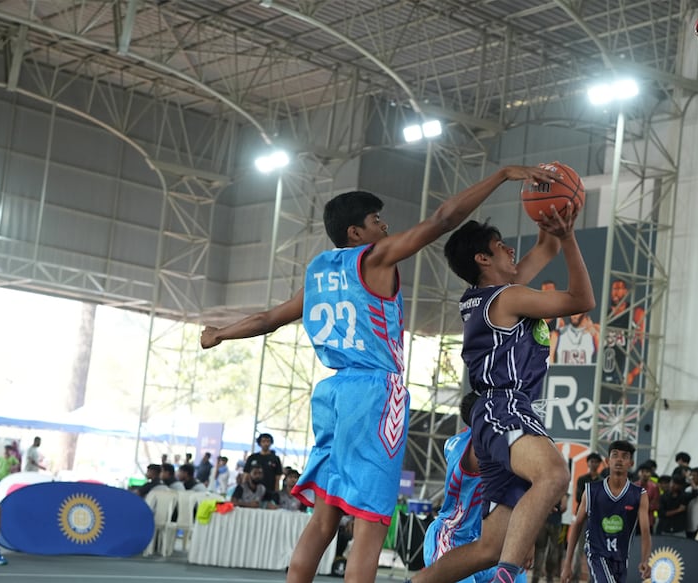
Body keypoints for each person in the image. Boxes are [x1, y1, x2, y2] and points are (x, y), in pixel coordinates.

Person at [201, 165, 560, 583]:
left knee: (324, 519)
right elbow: (443, 219)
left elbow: (267, 318)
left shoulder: (318, 273)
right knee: (372, 520)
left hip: (332, 392)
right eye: (376, 221)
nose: (385, 226)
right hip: (374, 391)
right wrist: (500, 177)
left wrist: (219, 334)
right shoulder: (374, 258)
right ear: (356, 233)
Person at [411, 198, 593, 583]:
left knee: (489, 547)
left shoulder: (492, 294)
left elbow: (546, 247)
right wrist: (571, 238)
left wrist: (551, 212)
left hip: (496, 413)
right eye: (502, 246)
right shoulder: (506, 297)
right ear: (482, 259)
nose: (513, 250)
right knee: (555, 474)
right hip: (503, 405)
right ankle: (506, 578)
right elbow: (582, 301)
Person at [423, 392, 528, 583]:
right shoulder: (478, 451)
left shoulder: (462, 439)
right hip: (451, 542)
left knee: (518, 578)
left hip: (486, 543)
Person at [560, 440, 652, 583]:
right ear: (608, 461)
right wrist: (567, 564)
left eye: (625, 456)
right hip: (596, 553)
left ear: (631, 463)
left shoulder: (639, 494)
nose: (619, 459)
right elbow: (577, 525)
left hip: (621, 558)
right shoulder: (591, 490)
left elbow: (645, 531)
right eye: (615, 455)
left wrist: (645, 560)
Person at [244, 433, 284, 505]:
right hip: (253, 491)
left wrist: (276, 493)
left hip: (269, 490)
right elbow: (246, 474)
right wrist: (243, 488)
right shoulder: (252, 457)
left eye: (268, 441)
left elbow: (277, 478)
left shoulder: (275, 458)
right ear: (259, 443)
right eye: (263, 441)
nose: (266, 444)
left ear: (271, 443)